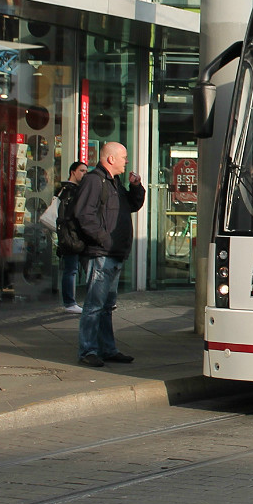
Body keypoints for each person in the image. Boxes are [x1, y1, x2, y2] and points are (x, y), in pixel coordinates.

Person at [75, 142, 146, 368]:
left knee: (106, 306)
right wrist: (104, 238)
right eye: (124, 157)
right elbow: (83, 214)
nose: (127, 162)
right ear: (111, 159)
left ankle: (106, 349)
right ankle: (88, 350)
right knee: (95, 305)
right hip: (101, 253)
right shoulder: (94, 181)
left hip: (114, 253)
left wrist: (136, 187)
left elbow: (132, 206)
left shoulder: (113, 183)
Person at [55, 160, 89, 313]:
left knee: (83, 268)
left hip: (76, 235)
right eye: (82, 171)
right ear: (73, 172)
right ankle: (70, 302)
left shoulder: (69, 190)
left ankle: (79, 301)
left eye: (86, 171)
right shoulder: (69, 191)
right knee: (71, 269)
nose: (84, 174)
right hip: (70, 235)